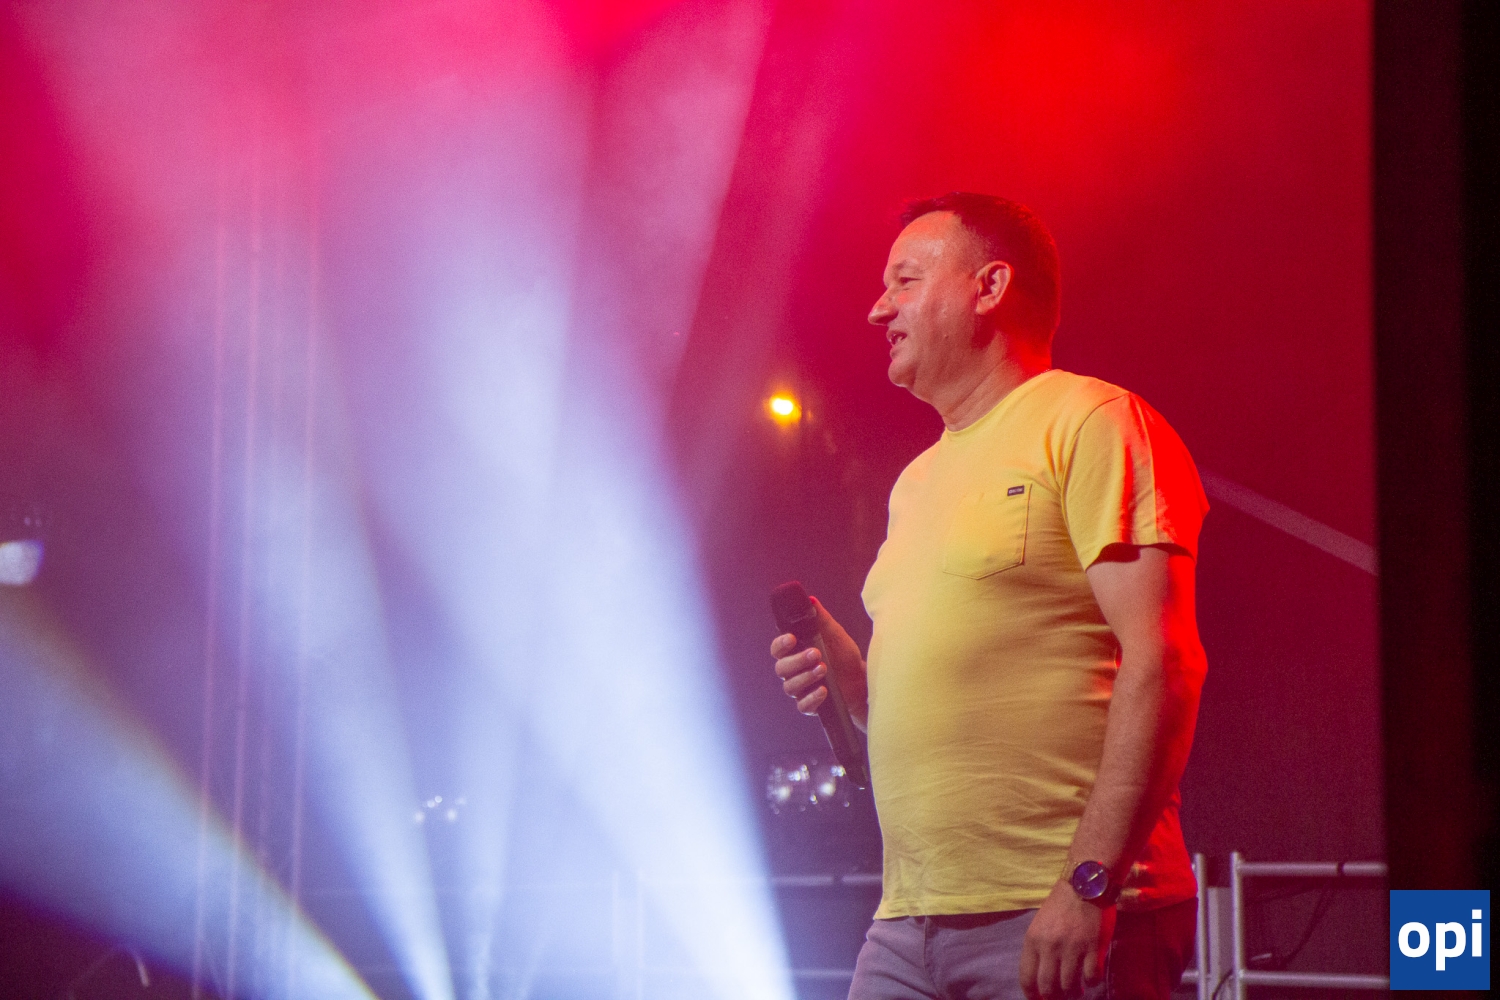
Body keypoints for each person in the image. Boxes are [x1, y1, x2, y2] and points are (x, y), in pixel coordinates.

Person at [770, 193, 1209, 1000]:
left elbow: (1166, 662)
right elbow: (920, 713)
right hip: (906, 924)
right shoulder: (915, 481)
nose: (878, 310)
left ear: (990, 286)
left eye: (904, 281)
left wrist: (1088, 884)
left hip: (1056, 913)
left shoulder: (1094, 421)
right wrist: (851, 681)